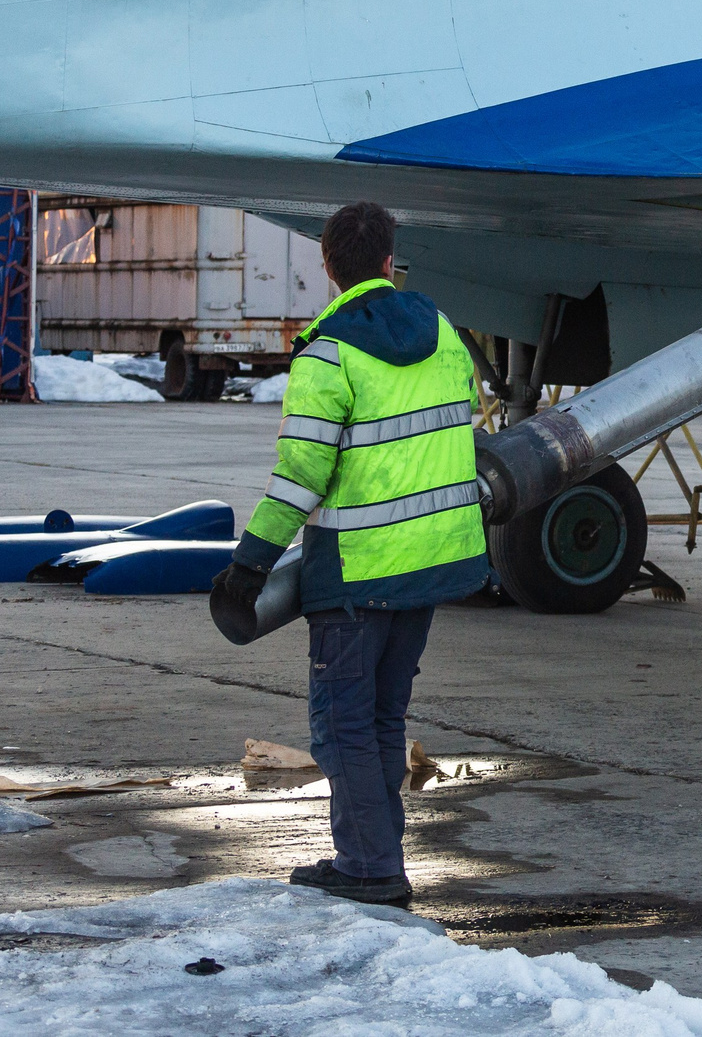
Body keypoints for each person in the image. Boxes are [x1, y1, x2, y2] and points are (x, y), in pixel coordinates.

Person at [209, 201, 487, 904]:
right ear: (391, 263)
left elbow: (300, 476)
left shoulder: (328, 353)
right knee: (384, 718)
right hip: (431, 562)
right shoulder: (445, 334)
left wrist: (250, 564)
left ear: (328, 266)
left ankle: (370, 867)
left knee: (341, 726)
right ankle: (376, 857)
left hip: (358, 572)